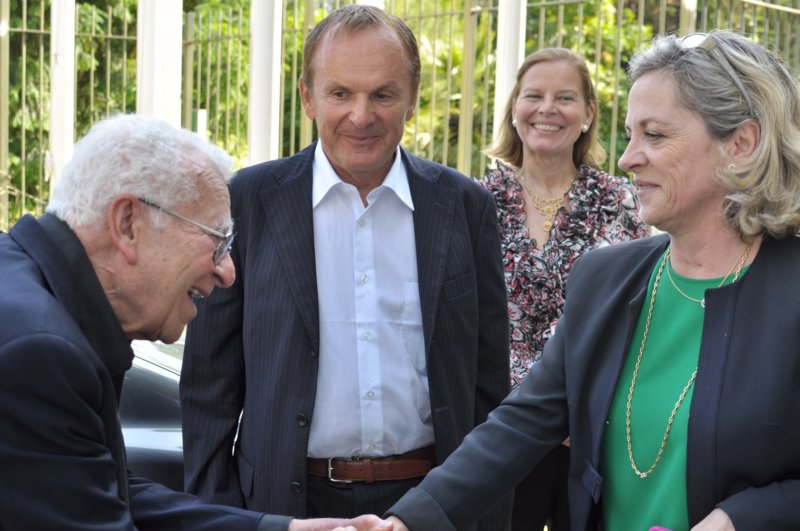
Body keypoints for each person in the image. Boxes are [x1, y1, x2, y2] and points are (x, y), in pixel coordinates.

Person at [376, 30, 800, 530]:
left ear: (742, 144)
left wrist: (736, 519)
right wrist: (402, 523)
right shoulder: (606, 278)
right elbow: (519, 425)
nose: (627, 158)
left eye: (656, 135)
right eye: (630, 133)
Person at [180, 4, 511, 529]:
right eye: (341, 93)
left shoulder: (465, 207)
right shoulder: (246, 201)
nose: (361, 115)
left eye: (382, 94)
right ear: (308, 97)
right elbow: (208, 389)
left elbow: (490, 386)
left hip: (436, 502)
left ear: (411, 99)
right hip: (286, 505)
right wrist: (220, 515)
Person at [0, 114, 392, 531]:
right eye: (218, 240)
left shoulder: (28, 287)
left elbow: (103, 489)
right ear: (128, 224)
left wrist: (287, 530)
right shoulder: (40, 354)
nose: (227, 273)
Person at [480, 47, 649, 531]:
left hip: (594, 427)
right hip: (503, 427)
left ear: (589, 113)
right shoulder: (474, 201)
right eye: (534, 95)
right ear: (514, 109)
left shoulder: (626, 201)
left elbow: (638, 312)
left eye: (565, 97)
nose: (547, 108)